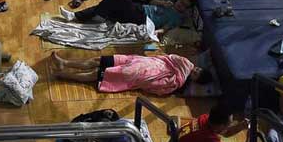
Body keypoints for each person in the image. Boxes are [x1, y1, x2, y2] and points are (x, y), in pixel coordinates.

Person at [49, 51, 207, 95]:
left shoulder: (177, 81)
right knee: (98, 60)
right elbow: (171, 57)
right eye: (198, 69)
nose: (194, 70)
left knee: (95, 73)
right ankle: (65, 63)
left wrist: (140, 81)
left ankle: (64, 74)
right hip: (135, 60)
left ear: (193, 80)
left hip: (136, 73)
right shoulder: (186, 63)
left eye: (196, 74)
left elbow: (156, 86)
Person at [73, 0, 191, 35]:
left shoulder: (177, 17)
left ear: (186, 9)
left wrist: (154, 33)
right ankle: (77, 16)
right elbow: (151, 3)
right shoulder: (169, 4)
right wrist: (162, 3)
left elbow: (165, 28)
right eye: (181, 1)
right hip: (139, 9)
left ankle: (84, 15)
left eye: (184, 5)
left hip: (143, 18)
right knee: (110, 4)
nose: (181, 4)